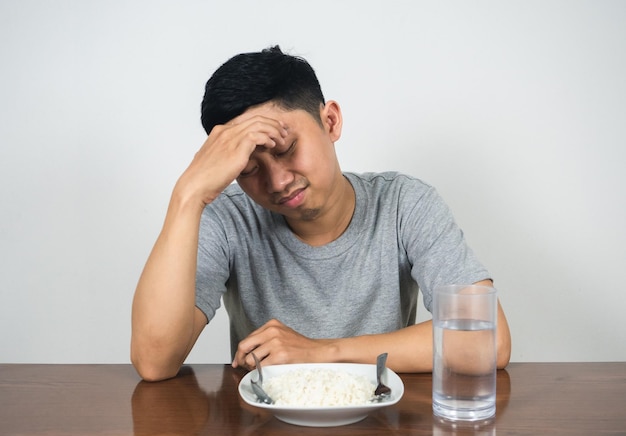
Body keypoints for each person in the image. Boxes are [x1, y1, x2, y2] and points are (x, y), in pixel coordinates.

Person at [131, 45, 511, 382]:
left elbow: (487, 341)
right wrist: (187, 195)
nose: (278, 181)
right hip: (264, 434)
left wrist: (321, 351)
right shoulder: (228, 219)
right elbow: (154, 363)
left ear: (330, 121)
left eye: (286, 148)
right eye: (247, 168)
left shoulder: (404, 203)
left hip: (382, 428)